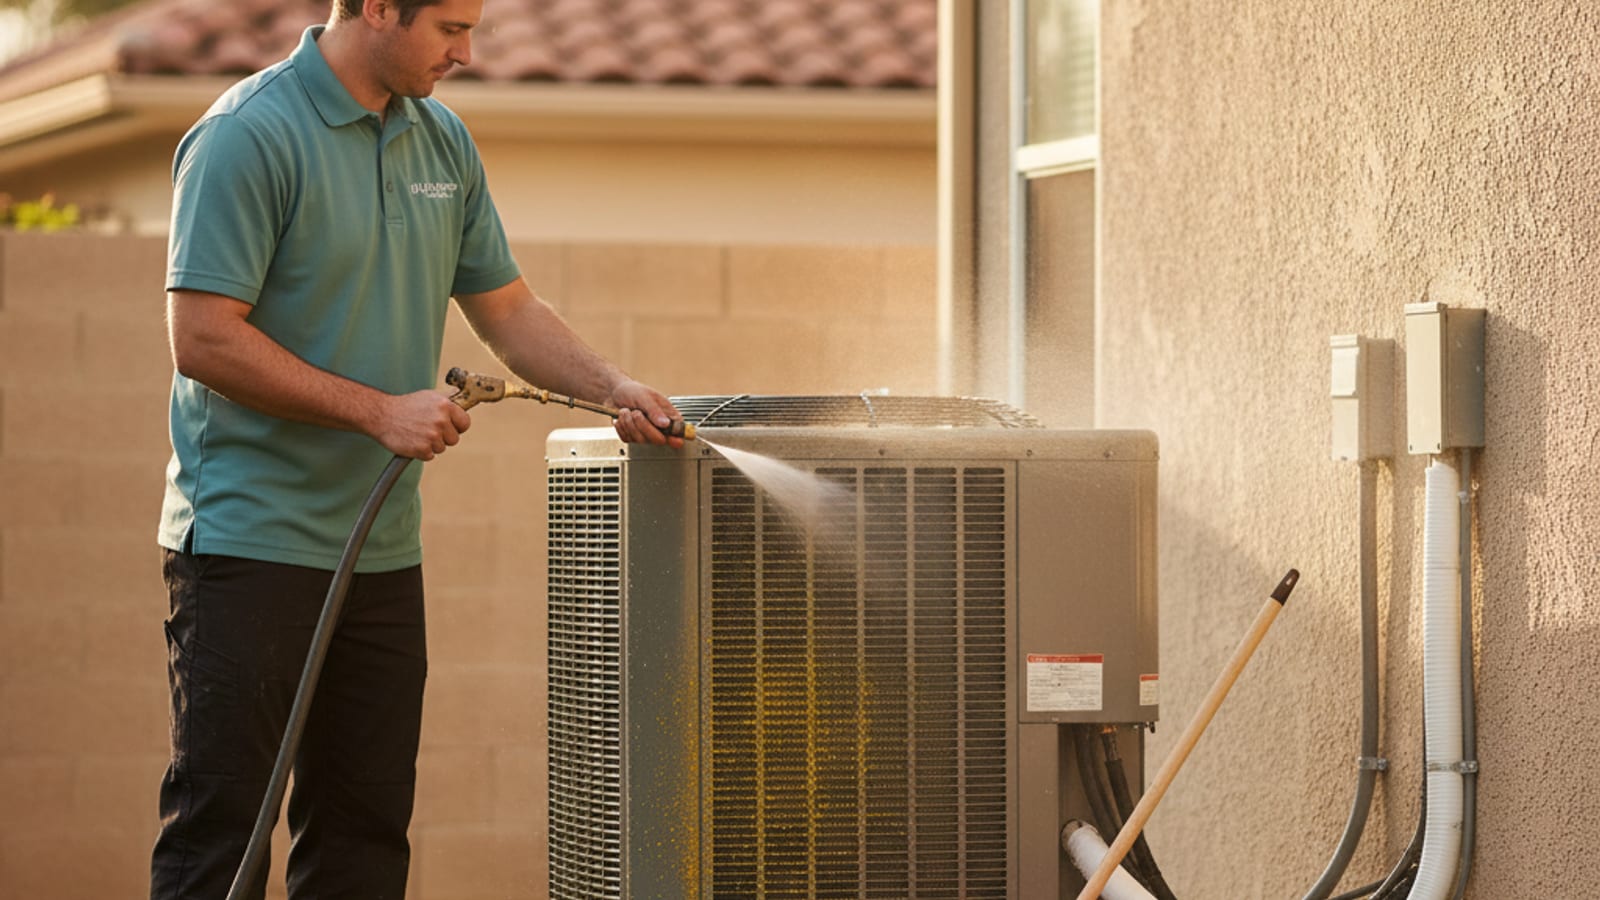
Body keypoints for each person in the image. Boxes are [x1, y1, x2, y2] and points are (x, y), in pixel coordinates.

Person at [150, 0, 685, 896]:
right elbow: (203, 338)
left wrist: (614, 388)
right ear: (377, 9)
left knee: (364, 839)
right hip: (249, 546)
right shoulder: (246, 135)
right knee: (222, 841)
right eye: (448, 28)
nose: (466, 53)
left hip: (382, 554)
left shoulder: (443, 141)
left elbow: (507, 310)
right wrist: (377, 413)